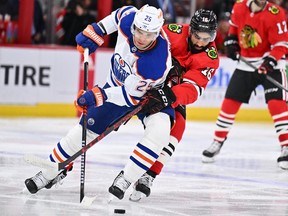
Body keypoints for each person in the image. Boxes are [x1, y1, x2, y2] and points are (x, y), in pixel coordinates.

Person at [24, 4, 175, 201]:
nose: (141, 38)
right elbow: (116, 16)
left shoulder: (154, 62)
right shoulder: (129, 17)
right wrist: (97, 31)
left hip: (151, 97)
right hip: (117, 86)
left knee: (160, 133)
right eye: (139, 31)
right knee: (83, 131)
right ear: (135, 26)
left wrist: (98, 95)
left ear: (157, 33)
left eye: (148, 34)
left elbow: (130, 97)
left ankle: (127, 178)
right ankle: (51, 170)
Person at [129, 9, 220, 201]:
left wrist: (168, 94)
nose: (200, 42)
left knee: (179, 125)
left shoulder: (210, 58)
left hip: (170, 94)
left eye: (207, 38)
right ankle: (64, 163)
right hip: (143, 80)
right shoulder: (171, 32)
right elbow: (143, 44)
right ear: (190, 30)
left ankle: (150, 174)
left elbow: (193, 89)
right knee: (109, 112)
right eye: (197, 36)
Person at [201, 0, 288, 169]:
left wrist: (269, 62)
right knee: (229, 104)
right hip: (246, 64)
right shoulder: (239, 7)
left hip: (271, 64)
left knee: (277, 105)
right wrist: (232, 42)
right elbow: (234, 28)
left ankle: (286, 146)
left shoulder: (276, 13)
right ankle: (217, 142)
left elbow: (281, 44)